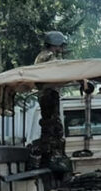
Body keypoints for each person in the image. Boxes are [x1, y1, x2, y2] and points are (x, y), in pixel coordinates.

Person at [33, 31, 71, 173]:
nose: (62, 48)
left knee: (51, 126)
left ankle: (49, 158)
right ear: (56, 43)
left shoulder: (42, 56)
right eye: (61, 45)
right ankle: (50, 160)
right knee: (52, 127)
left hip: (47, 93)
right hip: (48, 94)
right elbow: (58, 70)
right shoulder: (48, 56)